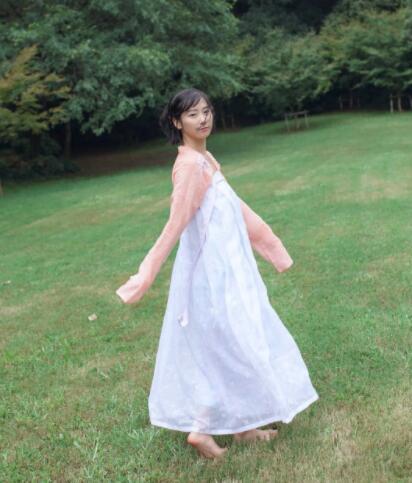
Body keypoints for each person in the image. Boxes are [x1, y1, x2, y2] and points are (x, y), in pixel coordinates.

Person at [116, 87, 319, 459]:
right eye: (193, 114)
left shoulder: (205, 159)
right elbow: (175, 224)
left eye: (206, 111)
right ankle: (202, 429)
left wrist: (273, 248)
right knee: (228, 344)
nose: (203, 118)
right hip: (212, 277)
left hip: (229, 270)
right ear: (177, 122)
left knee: (234, 341)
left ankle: (243, 426)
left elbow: (236, 209)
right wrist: (145, 275)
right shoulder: (190, 167)